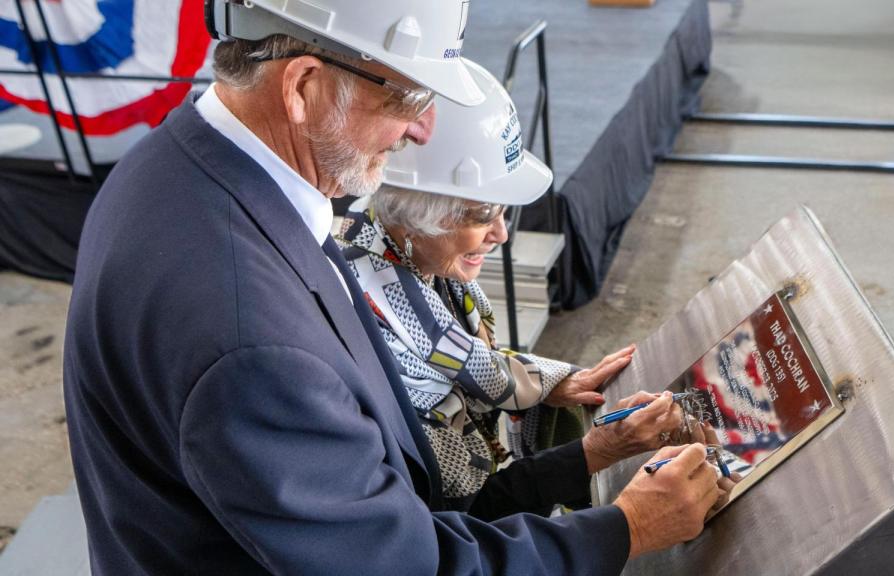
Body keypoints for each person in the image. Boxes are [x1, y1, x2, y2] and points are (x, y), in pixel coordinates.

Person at [62, 1, 722, 574]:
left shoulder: (185, 170)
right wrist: (627, 527)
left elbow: (395, 505)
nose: (422, 131)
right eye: (406, 98)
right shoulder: (252, 345)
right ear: (302, 86)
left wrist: (583, 456)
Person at [338, 59, 690, 512]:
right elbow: (460, 519)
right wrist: (594, 453)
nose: (501, 234)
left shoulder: (398, 252)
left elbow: (467, 357)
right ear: (413, 216)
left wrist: (552, 383)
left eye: (502, 212)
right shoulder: (379, 333)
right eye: (483, 215)